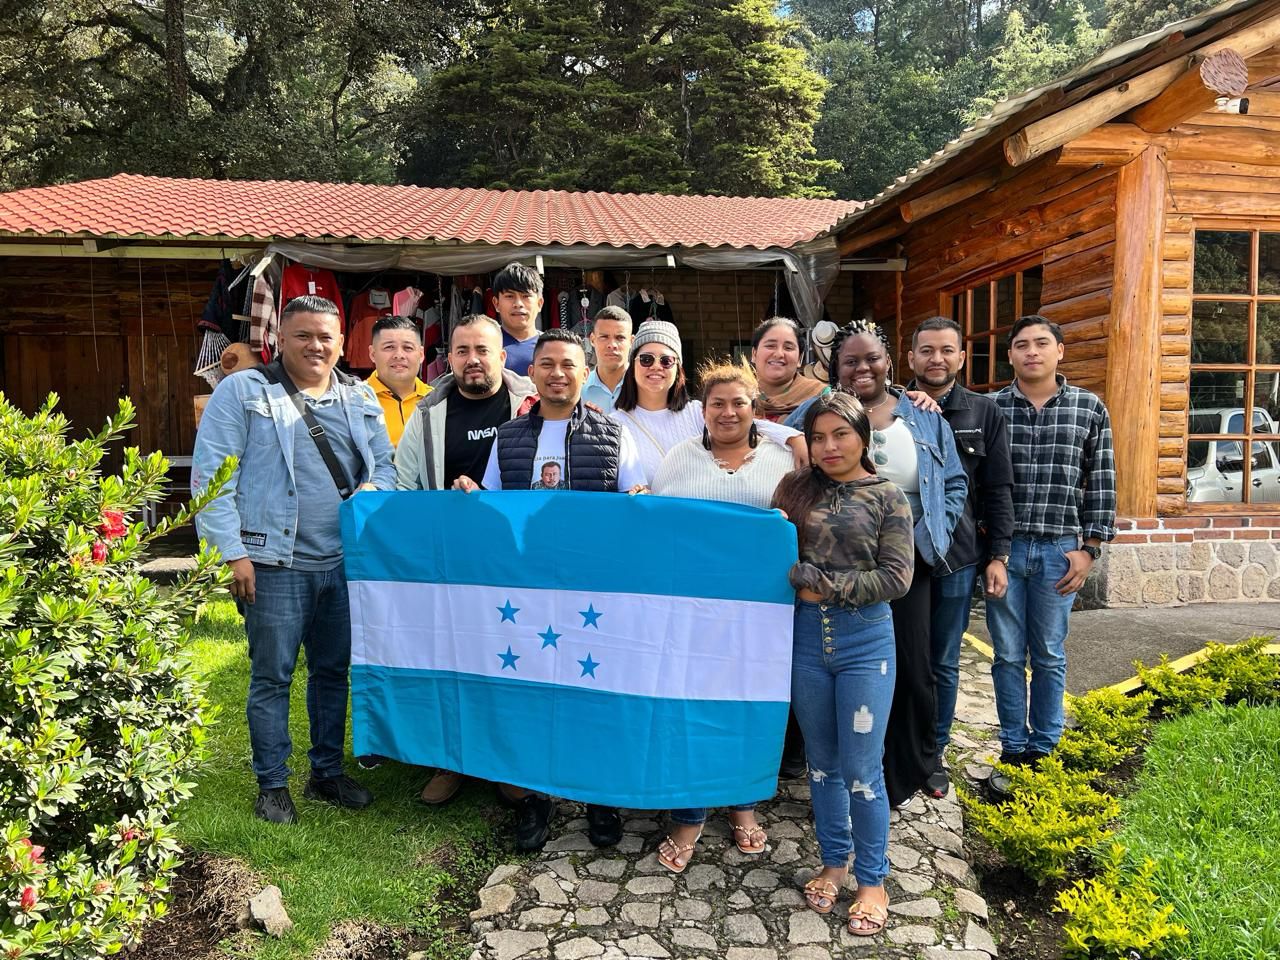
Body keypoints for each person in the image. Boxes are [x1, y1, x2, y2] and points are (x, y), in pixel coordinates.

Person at [192, 295, 395, 824]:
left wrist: (372, 486)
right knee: (272, 676)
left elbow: (387, 468)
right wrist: (231, 553)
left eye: (326, 336)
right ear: (280, 338)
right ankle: (273, 783)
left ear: (340, 341)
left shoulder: (357, 396)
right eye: (303, 335)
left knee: (332, 673)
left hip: (344, 564)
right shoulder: (242, 392)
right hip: (272, 562)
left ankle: (326, 772)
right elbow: (213, 480)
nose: (316, 346)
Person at [454, 328, 646, 851]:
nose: (558, 373)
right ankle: (535, 801)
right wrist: (469, 496)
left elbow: (637, 504)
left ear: (584, 374)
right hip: (529, 592)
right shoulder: (509, 437)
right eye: (547, 364)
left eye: (568, 364)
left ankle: (597, 799)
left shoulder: (614, 434)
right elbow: (492, 511)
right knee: (535, 696)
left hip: (591, 595)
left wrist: (641, 498)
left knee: (591, 695)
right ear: (532, 373)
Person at [772, 392, 914, 937]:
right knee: (822, 764)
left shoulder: (887, 496)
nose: (829, 447)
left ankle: (873, 879)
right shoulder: (793, 490)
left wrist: (822, 586)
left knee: (862, 767)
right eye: (819, 436)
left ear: (863, 437)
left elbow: (897, 578)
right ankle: (835, 862)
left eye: (841, 434)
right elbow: (770, 552)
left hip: (865, 644)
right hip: (805, 643)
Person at [650, 359, 795, 873]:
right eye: (718, 403)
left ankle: (743, 806)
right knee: (691, 711)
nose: (728, 412)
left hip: (761, 619)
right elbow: (654, 527)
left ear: (755, 407)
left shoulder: (781, 461)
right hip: (692, 618)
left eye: (739, 402)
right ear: (703, 410)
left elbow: (802, 527)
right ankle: (689, 815)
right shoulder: (679, 458)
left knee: (749, 709)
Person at [395, 313, 537, 804]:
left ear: (502, 355)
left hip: (519, 564)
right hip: (450, 567)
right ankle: (450, 760)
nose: (472, 360)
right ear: (449, 357)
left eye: (482, 350)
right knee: (453, 663)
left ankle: (508, 763)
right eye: (462, 351)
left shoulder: (529, 403)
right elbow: (405, 487)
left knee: (512, 664)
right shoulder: (429, 414)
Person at [829, 319, 967, 806]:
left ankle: (916, 763)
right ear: (837, 368)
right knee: (853, 666)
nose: (862, 367)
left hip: (911, 559)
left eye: (871, 358)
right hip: (844, 561)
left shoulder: (925, 416)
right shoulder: (823, 412)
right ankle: (850, 767)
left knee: (913, 664)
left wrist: (930, 531)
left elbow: (953, 482)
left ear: (890, 362)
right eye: (851, 360)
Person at [986, 315, 1116, 797]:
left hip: (1061, 550)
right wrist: (991, 551)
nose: (1032, 352)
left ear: (1060, 351)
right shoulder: (993, 407)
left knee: (1048, 654)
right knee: (1005, 653)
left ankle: (1045, 746)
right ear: (1011, 356)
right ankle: (1013, 747)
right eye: (1021, 345)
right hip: (1007, 549)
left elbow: (1101, 479)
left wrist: (1090, 549)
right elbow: (983, 486)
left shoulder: (1088, 407)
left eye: (1042, 343)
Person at [905, 316, 1015, 798]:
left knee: (943, 661)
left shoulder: (983, 412)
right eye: (927, 351)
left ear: (961, 358)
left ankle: (933, 754)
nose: (937, 359)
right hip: (901, 553)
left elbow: (998, 489)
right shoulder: (893, 406)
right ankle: (897, 746)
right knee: (901, 656)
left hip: (959, 555)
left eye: (946, 350)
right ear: (911, 359)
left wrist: (1000, 555)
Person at [610, 320, 805, 486]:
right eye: (646, 359)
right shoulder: (613, 425)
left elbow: (747, 424)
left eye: (666, 360)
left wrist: (794, 438)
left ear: (678, 367)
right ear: (632, 365)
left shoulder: (696, 413)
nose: (656, 367)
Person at [365, 315, 430, 448]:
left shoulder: (435, 400)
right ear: (372, 354)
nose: (399, 355)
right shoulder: (356, 401)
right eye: (389, 347)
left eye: (408, 348)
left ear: (421, 354)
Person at [750, 317, 828, 424]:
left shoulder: (821, 395)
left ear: (800, 359)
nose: (779, 354)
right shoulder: (737, 394)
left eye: (788, 348)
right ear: (754, 354)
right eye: (770, 346)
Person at [493, 262, 544, 375]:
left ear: (539, 303)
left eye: (525, 296)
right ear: (496, 303)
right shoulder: (486, 347)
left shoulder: (551, 347)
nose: (518, 304)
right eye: (509, 296)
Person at [583, 306, 633, 413]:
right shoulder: (579, 389)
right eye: (604, 337)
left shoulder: (644, 387)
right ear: (592, 339)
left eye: (620, 338)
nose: (612, 345)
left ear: (631, 341)